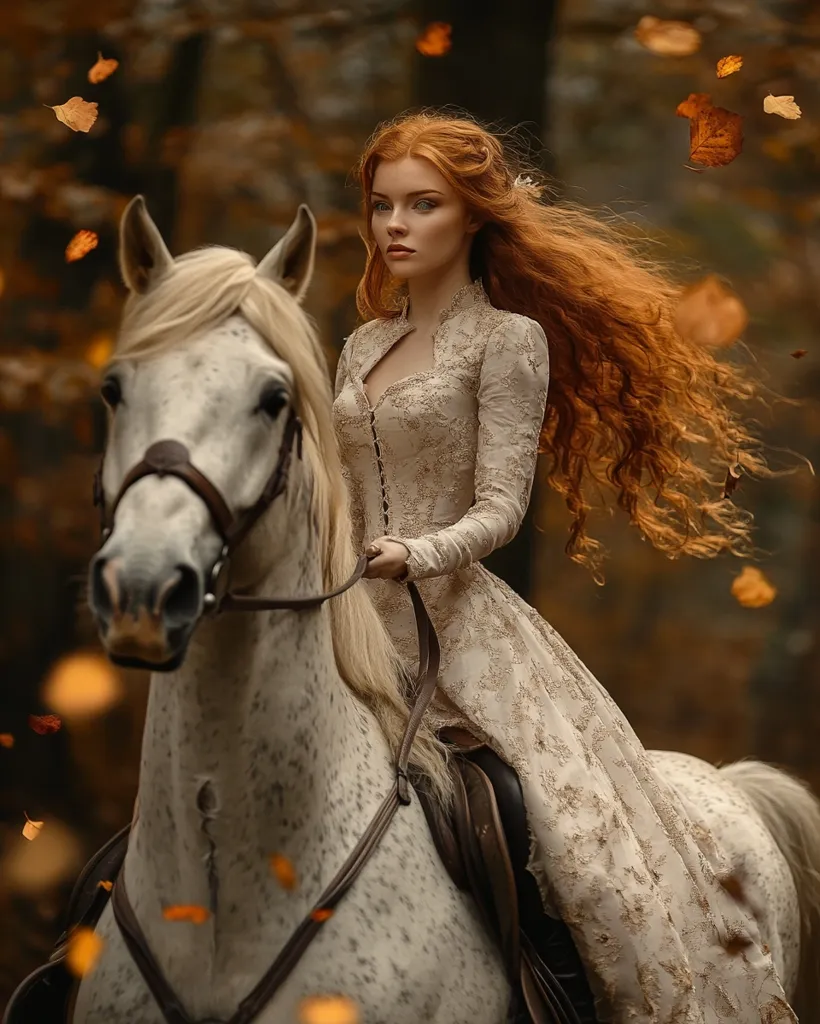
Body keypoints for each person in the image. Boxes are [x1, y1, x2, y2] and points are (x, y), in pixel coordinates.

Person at [330, 109, 793, 1022]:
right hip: (343, 617)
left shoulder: (506, 340)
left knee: (560, 835)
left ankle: (562, 993)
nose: (395, 226)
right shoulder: (361, 344)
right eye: (383, 205)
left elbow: (500, 508)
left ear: (472, 216)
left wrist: (415, 554)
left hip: (453, 624)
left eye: (423, 204)